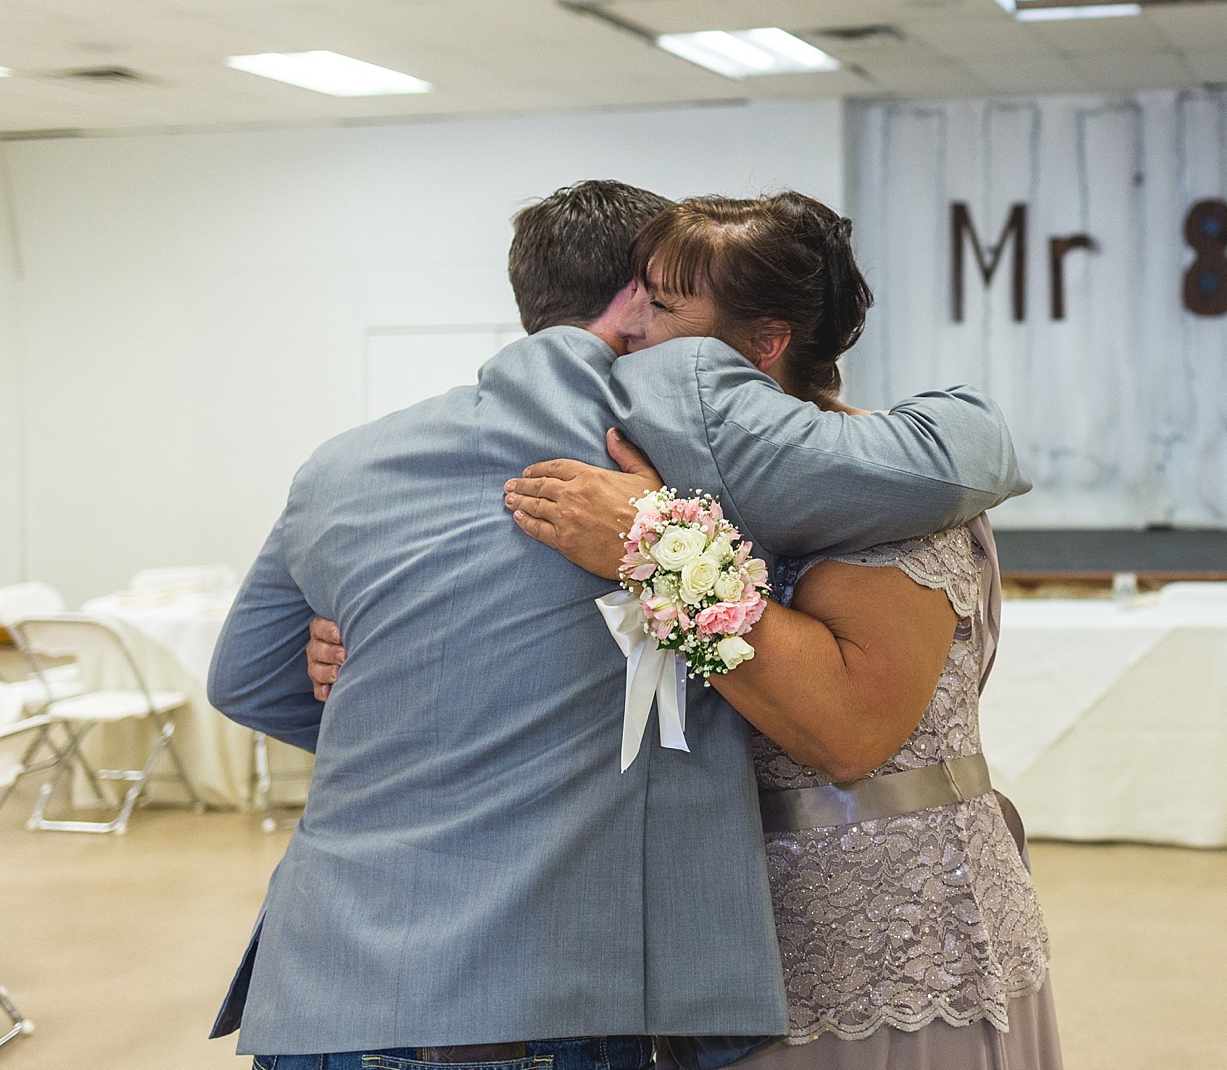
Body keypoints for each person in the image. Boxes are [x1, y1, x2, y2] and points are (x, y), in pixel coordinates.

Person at [209, 180, 1028, 1070]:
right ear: (632, 298)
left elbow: (248, 680)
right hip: (547, 985)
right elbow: (950, 457)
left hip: (322, 986)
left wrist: (394, 698)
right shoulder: (673, 415)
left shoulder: (345, 460)